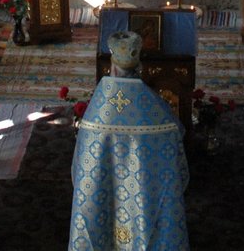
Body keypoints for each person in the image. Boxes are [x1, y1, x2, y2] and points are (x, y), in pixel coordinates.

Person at [69, 31, 189, 250]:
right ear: (139, 63)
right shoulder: (157, 112)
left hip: (102, 205)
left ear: (111, 62)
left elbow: (83, 173)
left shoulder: (96, 114)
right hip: (144, 203)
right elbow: (177, 138)